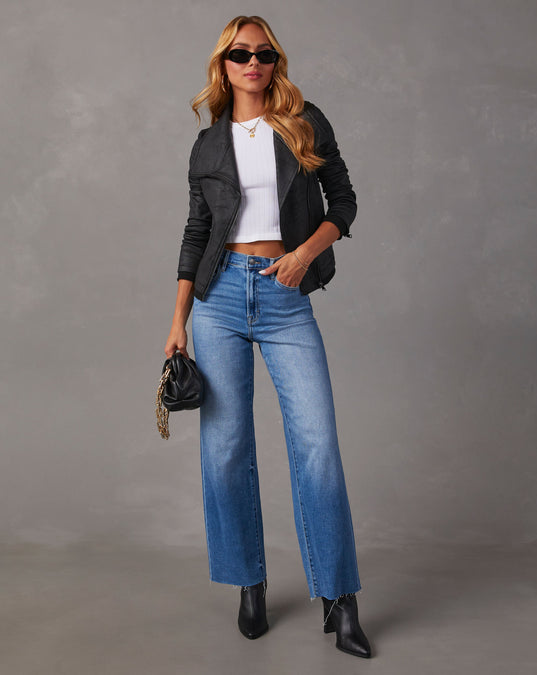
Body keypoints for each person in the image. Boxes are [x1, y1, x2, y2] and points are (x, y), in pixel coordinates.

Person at [164, 15, 372, 658]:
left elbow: (344, 202)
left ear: (275, 61)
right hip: (219, 299)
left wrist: (305, 254)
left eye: (263, 53)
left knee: (318, 446)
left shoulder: (305, 121)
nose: (252, 62)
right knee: (225, 450)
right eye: (239, 53)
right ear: (223, 66)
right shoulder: (207, 145)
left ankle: (339, 599)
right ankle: (248, 583)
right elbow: (196, 234)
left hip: (286, 293)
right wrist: (177, 321)